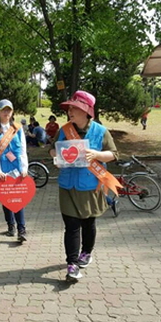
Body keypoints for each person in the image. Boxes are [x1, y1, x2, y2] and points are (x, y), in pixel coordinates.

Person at [49, 90, 119, 282]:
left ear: (87, 111)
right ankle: (72, 264)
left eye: (75, 108)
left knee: (88, 223)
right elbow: (52, 149)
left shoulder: (100, 131)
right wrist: (55, 157)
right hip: (67, 185)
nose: (70, 111)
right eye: (69, 108)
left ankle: (86, 252)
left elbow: (113, 154)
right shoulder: (64, 130)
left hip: (90, 186)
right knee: (71, 226)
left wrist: (96, 155)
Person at [0, 99, 29, 242]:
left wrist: (24, 168)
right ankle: (11, 225)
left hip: (17, 170)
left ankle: (21, 229)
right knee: (5, 200)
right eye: (3, 110)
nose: (6, 113)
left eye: (9, 110)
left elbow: (22, 149)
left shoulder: (18, 128)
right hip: (3, 170)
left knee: (18, 199)